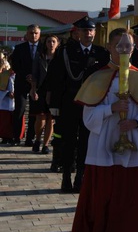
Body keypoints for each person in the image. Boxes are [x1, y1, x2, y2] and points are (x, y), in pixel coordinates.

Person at [69, 28, 138, 232]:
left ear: (134, 48)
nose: (123, 50)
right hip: (103, 149)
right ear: (108, 47)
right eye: (118, 46)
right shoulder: (97, 77)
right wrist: (111, 109)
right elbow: (88, 119)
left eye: (127, 46)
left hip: (133, 150)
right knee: (101, 197)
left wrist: (137, 122)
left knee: (125, 200)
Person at [45, 17, 110, 192]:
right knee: (68, 141)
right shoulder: (66, 51)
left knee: (86, 142)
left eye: (91, 31)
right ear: (78, 33)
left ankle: (80, 177)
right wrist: (55, 105)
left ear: (95, 33)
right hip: (69, 104)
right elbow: (57, 78)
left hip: (91, 105)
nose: (89, 34)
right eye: (85, 31)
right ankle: (66, 176)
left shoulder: (101, 54)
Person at [9, 24, 40, 146]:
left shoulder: (43, 48)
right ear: (27, 34)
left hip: (37, 84)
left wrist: (34, 77)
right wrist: (26, 75)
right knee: (20, 109)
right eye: (31, 33)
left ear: (39, 34)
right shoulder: (20, 48)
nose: (33, 35)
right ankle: (16, 137)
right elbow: (15, 64)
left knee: (34, 111)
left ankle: (30, 138)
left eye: (36, 33)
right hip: (22, 82)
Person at [30, 34, 60, 154]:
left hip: (55, 91)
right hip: (41, 90)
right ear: (45, 43)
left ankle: (46, 144)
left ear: (57, 43)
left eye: (53, 41)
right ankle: (37, 139)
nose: (51, 44)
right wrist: (33, 89)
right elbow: (34, 75)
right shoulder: (40, 56)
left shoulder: (60, 57)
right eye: (49, 42)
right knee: (41, 118)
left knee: (50, 119)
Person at [0, 54, 14, 144]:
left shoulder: (19, 73)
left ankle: (15, 136)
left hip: (16, 101)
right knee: (5, 120)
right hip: (5, 100)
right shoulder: (4, 74)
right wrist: (7, 93)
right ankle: (5, 137)